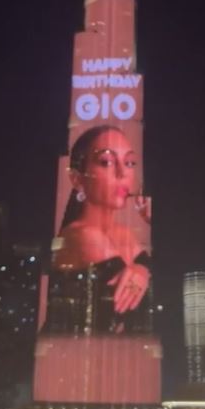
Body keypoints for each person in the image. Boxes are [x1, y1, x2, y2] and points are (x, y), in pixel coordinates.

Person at [46, 125, 152, 335]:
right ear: (77, 179)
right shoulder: (82, 235)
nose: (122, 173)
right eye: (106, 162)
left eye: (129, 163)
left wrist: (143, 269)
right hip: (78, 360)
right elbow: (133, 316)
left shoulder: (125, 235)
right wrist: (145, 270)